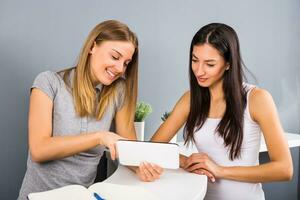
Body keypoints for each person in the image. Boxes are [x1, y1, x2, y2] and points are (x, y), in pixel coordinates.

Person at [18, 20, 159, 200]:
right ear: (93, 46)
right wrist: (99, 137)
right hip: (37, 196)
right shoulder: (48, 82)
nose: (119, 69)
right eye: (115, 57)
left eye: (126, 63)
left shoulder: (118, 91)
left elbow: (127, 149)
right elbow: (39, 150)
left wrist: (142, 167)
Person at [151, 23, 293, 200]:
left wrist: (219, 170)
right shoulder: (190, 99)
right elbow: (153, 147)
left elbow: (284, 169)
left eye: (210, 64)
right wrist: (186, 162)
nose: (199, 70)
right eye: (195, 60)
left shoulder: (257, 99)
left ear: (228, 64)